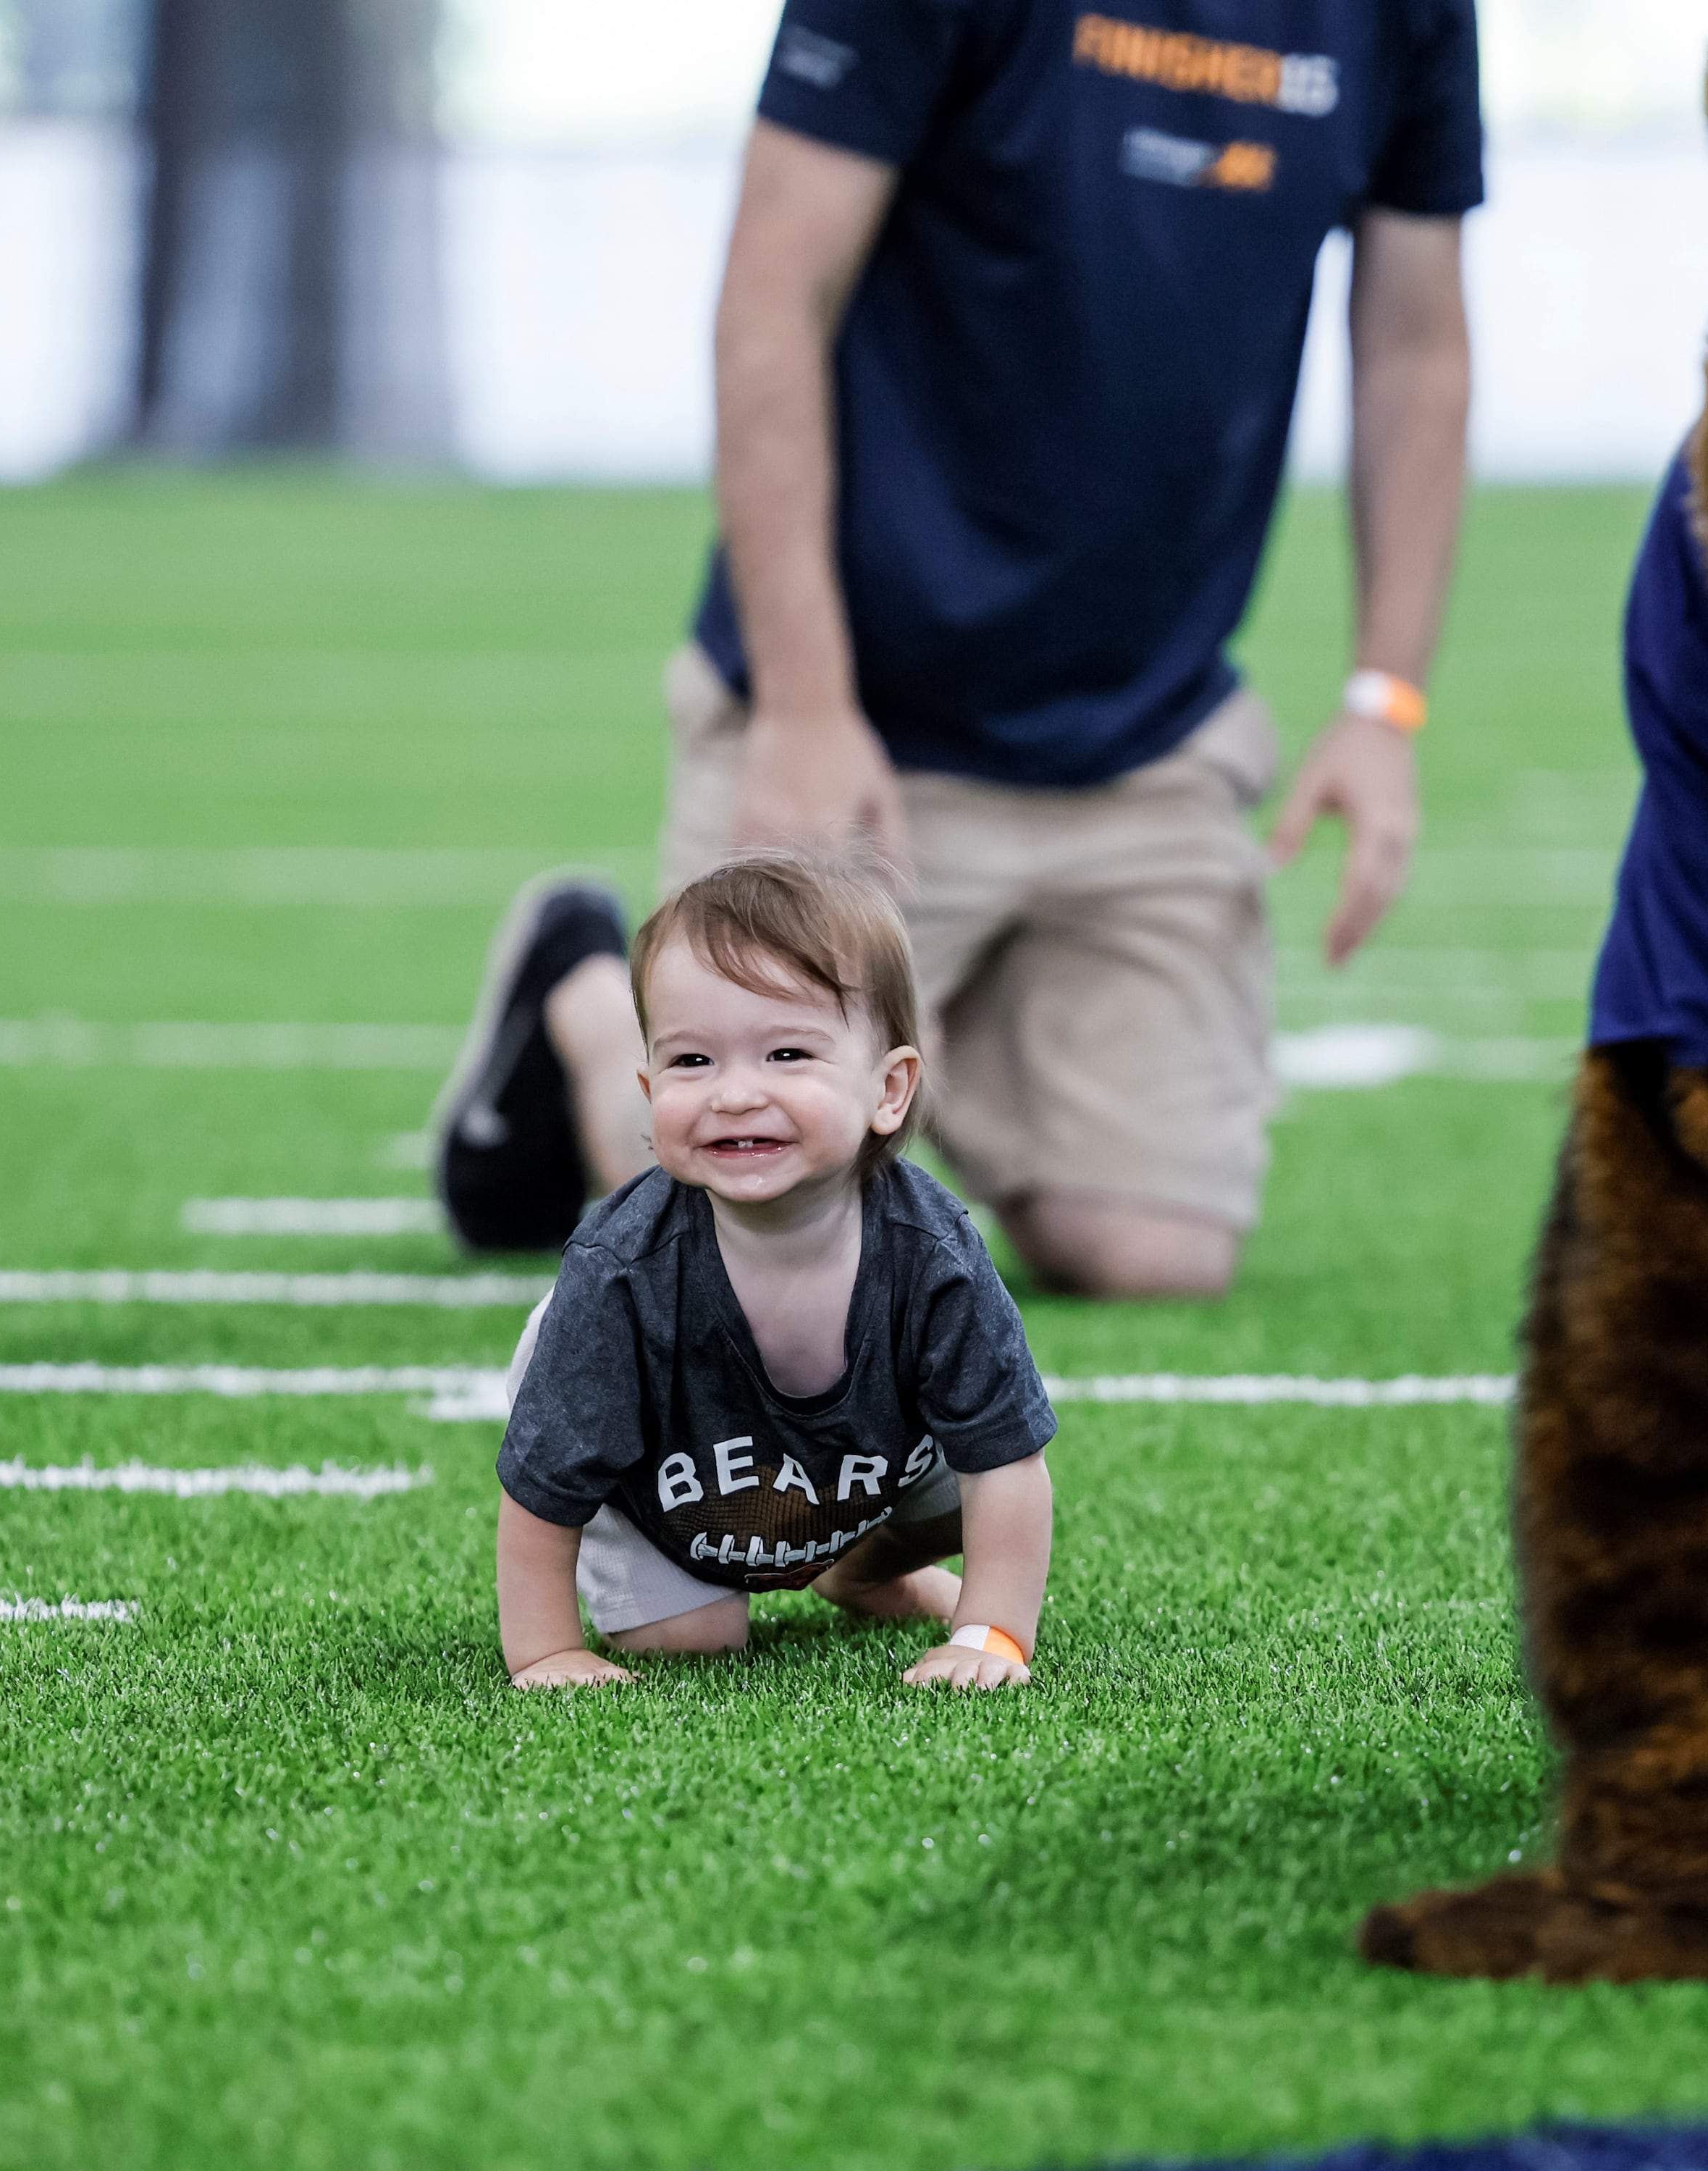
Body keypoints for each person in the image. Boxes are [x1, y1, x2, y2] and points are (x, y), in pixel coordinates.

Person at [434, 0, 1483, 1298]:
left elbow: (1415, 343)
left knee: (1153, 1255)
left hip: (1142, 734)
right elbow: (773, 291)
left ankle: (908, 1045)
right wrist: (806, 706)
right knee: (751, 1243)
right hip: (866, 719)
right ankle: (590, 1005)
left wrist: (1385, 702)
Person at [496, 852, 1057, 1694]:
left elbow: (1007, 1462)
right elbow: (543, 1492)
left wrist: (991, 1635)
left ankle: (861, 1569)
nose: (733, 1094)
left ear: (889, 1089)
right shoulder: (619, 1276)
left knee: (966, 1486)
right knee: (691, 1640)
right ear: (647, 1088)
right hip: (660, 1461)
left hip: (864, 1463)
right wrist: (545, 1650)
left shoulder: (930, 1251)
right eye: (692, 1063)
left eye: (787, 1053)